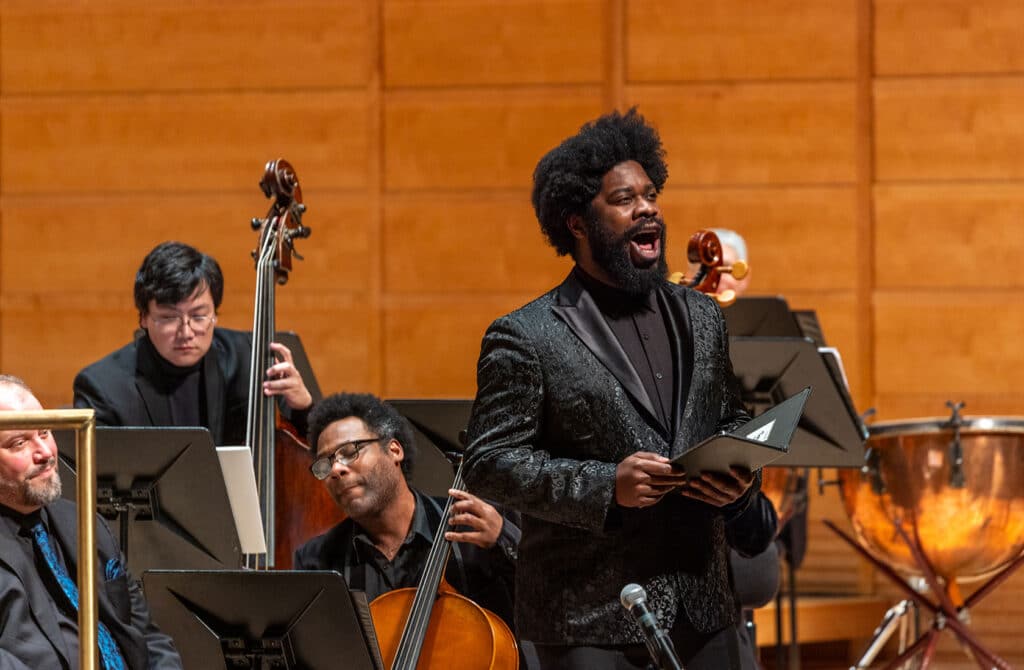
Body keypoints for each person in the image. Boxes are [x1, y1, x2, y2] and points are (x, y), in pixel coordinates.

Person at [462, 109, 776, 670]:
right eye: (625, 199)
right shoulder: (526, 335)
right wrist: (609, 486)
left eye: (651, 194)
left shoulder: (703, 316)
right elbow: (489, 462)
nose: (648, 208)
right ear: (577, 222)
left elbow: (728, 417)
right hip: (589, 618)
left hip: (703, 607)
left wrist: (739, 473)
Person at [0, 375, 182, 670]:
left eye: (45, 432)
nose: (45, 453)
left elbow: (148, 637)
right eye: (19, 443)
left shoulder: (84, 521)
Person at [293, 392, 518, 630]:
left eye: (349, 452)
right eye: (324, 464)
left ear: (394, 450)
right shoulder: (316, 560)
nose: (336, 470)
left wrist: (504, 538)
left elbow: (548, 596)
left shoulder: (474, 523)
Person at [73, 241, 313, 445]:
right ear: (143, 318)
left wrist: (303, 407)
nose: (186, 332)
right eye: (168, 317)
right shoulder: (104, 387)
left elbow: (310, 446)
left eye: (198, 316)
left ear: (215, 314)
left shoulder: (251, 359)